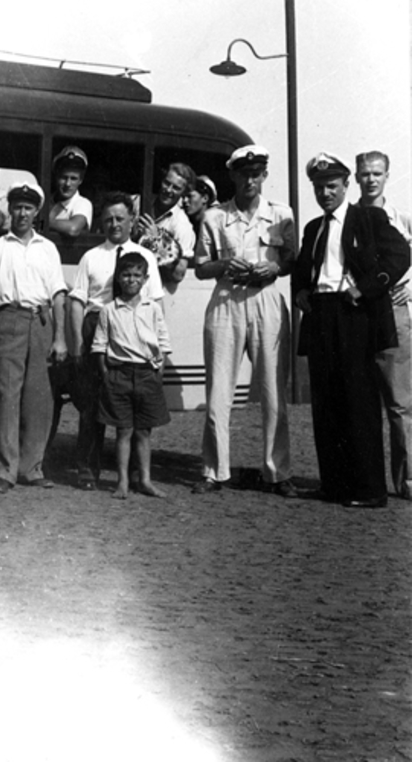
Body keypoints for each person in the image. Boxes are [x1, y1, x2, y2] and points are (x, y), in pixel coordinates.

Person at [293, 153, 410, 508]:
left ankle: (370, 490)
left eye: (332, 186)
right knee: (326, 403)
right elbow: (303, 267)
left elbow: (400, 255)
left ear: (346, 186)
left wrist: (368, 288)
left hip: (354, 311)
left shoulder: (367, 217)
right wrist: (300, 291)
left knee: (359, 402)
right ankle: (334, 483)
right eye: (319, 187)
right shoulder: (313, 228)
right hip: (322, 314)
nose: (325, 193)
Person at [191, 144, 296, 496]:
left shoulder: (282, 214)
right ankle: (214, 471)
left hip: (266, 299)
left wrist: (276, 267)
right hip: (226, 300)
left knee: (272, 390)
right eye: (243, 173)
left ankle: (277, 472)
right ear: (232, 176)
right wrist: (222, 266)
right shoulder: (214, 217)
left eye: (256, 173)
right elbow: (201, 266)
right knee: (219, 390)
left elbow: (292, 257)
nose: (250, 180)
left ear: (264, 175)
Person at [68, 192, 163, 490]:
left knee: (136, 403)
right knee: (91, 404)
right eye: (108, 219)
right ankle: (87, 469)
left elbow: (155, 303)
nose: (114, 224)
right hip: (97, 326)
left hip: (133, 333)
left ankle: (136, 473)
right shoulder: (91, 257)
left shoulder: (145, 257)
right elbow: (77, 302)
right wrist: (77, 345)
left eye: (120, 218)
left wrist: (157, 350)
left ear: (132, 220)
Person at [0, 179, 68, 493]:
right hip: (7, 320)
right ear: (10, 209)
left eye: (28, 208)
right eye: (17, 206)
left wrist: (60, 337)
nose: (22, 213)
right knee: (6, 397)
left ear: (37, 211)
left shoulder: (48, 249)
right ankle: (5, 470)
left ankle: (33, 468)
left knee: (39, 398)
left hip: (41, 322)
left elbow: (59, 295)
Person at [91, 251, 171, 500]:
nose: (131, 280)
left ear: (145, 279)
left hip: (147, 373)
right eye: (126, 275)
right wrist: (107, 375)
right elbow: (99, 346)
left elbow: (163, 341)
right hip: (119, 374)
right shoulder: (109, 310)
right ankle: (122, 481)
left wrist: (159, 371)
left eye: (137, 275)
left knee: (144, 431)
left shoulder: (153, 308)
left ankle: (145, 479)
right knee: (123, 430)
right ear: (118, 278)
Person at [356, 151, 412, 501]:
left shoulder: (402, 219)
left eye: (377, 173)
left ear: (387, 175)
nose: (371, 179)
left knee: (400, 401)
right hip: (359, 315)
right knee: (360, 402)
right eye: (364, 174)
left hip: (394, 314)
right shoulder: (349, 218)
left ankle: (407, 480)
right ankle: (365, 477)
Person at [135, 163, 197, 285]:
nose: (168, 190)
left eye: (176, 188)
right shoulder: (138, 203)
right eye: (167, 183)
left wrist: (156, 242)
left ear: (184, 193)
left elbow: (178, 274)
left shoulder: (182, 225)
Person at [47, 146, 93, 237]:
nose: (68, 184)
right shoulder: (47, 201)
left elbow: (73, 228)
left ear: (80, 180)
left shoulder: (82, 203)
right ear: (56, 177)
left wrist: (41, 223)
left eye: (73, 179)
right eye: (64, 178)